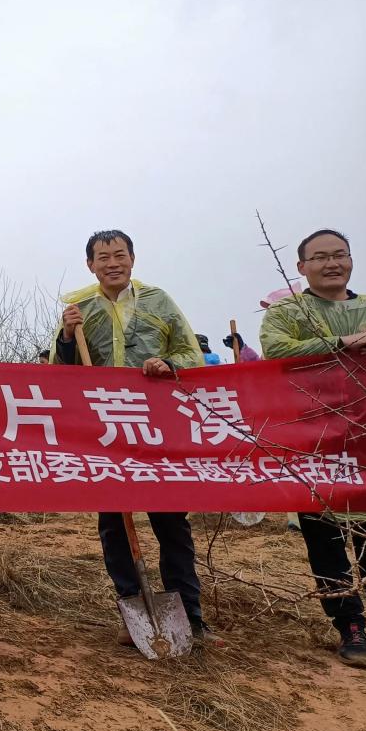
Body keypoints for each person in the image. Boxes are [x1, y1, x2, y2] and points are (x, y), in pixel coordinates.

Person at [50, 229, 218, 646]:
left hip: (155, 426)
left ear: (132, 258)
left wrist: (168, 364)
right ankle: (133, 609)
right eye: (102, 257)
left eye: (119, 255)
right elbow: (59, 372)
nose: (112, 263)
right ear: (90, 264)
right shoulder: (79, 306)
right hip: (104, 430)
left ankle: (191, 617)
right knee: (114, 523)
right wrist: (68, 337)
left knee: (171, 523)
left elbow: (190, 356)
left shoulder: (159, 301)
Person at [259, 228, 366, 667]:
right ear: (301, 267)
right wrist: (336, 344)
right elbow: (275, 352)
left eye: (340, 255)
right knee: (325, 538)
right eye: (320, 257)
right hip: (313, 443)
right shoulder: (287, 312)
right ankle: (349, 625)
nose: (332, 264)